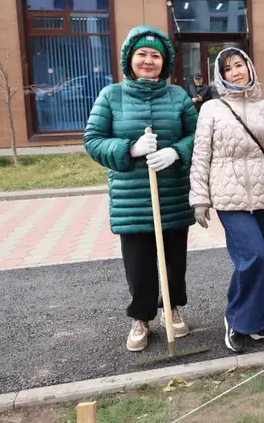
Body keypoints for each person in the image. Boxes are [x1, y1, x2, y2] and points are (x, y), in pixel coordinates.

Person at [84, 26, 198, 352]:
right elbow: (93, 141)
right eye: (142, 54)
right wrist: (129, 149)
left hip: (172, 194)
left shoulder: (177, 96)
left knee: (174, 260)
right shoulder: (111, 96)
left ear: (165, 62)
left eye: (156, 55)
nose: (149, 61)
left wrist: (176, 151)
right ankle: (141, 317)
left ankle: (172, 308)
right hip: (131, 198)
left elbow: (198, 134)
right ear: (129, 59)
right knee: (138, 263)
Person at [190, 48, 264, 353]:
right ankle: (236, 319)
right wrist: (200, 198)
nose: (235, 72)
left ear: (249, 68)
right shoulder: (211, 109)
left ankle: (258, 322)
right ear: (220, 75)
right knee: (253, 257)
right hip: (228, 196)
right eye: (228, 68)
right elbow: (201, 155)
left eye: (240, 65)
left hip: (263, 193)